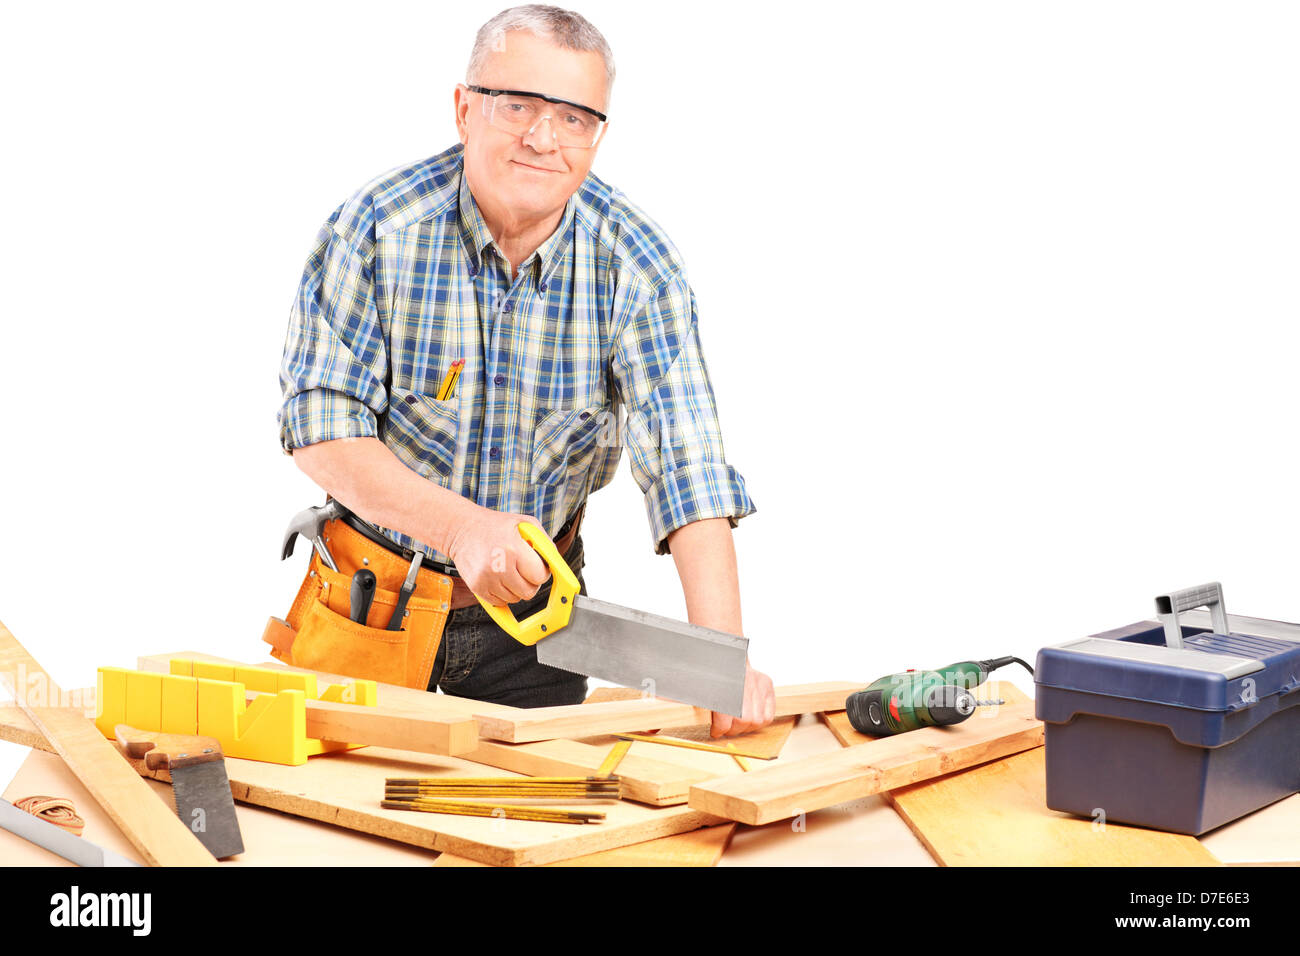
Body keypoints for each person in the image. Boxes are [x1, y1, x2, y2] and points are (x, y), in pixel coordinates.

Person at [278, 4, 774, 736]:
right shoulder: (374, 229)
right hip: (371, 601)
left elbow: (688, 467)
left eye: (574, 117)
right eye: (518, 106)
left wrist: (719, 661)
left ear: (598, 136)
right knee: (331, 827)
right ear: (463, 109)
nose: (544, 138)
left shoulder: (638, 265)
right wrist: (464, 531)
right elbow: (321, 429)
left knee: (533, 829)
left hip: (537, 622)